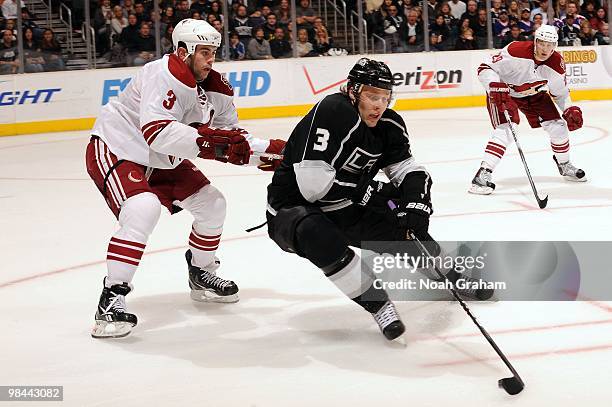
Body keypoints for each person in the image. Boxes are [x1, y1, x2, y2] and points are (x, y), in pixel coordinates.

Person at [265, 59, 493, 342]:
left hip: (346, 205)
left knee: (406, 225)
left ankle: (449, 275)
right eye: (373, 96)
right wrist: (373, 194)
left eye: (386, 97)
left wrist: (416, 203)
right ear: (353, 91)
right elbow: (313, 188)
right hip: (292, 209)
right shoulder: (333, 111)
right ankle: (379, 305)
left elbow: (407, 170)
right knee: (319, 235)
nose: (379, 105)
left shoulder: (389, 125)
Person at [87, 19, 285, 338]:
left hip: (162, 159)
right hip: (119, 147)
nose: (211, 59)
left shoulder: (217, 90)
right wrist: (214, 142)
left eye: (213, 52)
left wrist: (270, 154)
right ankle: (111, 300)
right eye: (204, 52)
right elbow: (157, 132)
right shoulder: (160, 73)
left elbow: (232, 140)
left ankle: (201, 273)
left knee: (213, 204)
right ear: (182, 51)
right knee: (142, 209)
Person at [470, 25, 586, 195]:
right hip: (504, 93)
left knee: (558, 126)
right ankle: (482, 175)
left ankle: (564, 165)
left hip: (533, 94)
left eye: (550, 45)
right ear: (535, 41)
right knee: (507, 130)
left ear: (555, 46)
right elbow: (484, 68)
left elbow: (560, 93)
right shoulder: (516, 50)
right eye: (542, 44)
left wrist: (570, 109)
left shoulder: (556, 64)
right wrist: (494, 86)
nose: (545, 49)